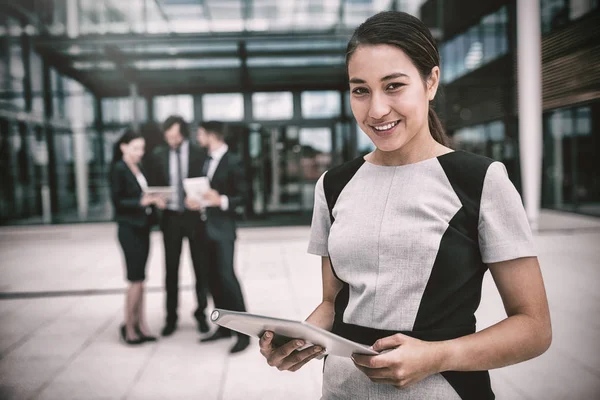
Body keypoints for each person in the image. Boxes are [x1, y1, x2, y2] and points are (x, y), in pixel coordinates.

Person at [258, 11, 552, 400]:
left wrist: (436, 355)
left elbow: (534, 327)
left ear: (431, 82)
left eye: (393, 86)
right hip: (341, 390)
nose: (376, 109)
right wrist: (300, 341)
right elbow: (333, 304)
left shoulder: (480, 180)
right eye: (360, 90)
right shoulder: (333, 185)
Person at [186, 121, 250, 354]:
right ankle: (223, 327)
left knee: (227, 278)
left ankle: (244, 333)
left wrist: (220, 200)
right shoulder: (203, 160)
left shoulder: (234, 160)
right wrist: (194, 201)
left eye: (200, 133)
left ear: (212, 135)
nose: (197, 137)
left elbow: (243, 198)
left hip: (223, 229)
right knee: (211, 279)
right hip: (202, 228)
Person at [145, 115, 210, 337]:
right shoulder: (158, 155)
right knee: (171, 269)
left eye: (174, 136)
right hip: (171, 217)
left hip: (193, 217)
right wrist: (157, 199)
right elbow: (152, 183)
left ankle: (201, 314)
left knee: (200, 268)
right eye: (167, 137)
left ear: (182, 133)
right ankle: (170, 317)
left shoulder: (198, 152)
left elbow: (205, 182)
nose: (171, 140)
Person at [109, 129, 165, 345]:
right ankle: (128, 327)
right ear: (123, 147)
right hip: (128, 229)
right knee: (134, 280)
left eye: (142, 148)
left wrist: (153, 199)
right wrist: (141, 202)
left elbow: (142, 195)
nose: (140, 152)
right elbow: (118, 202)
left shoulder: (138, 167)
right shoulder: (118, 169)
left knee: (141, 280)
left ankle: (142, 325)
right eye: (135, 148)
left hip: (143, 228)